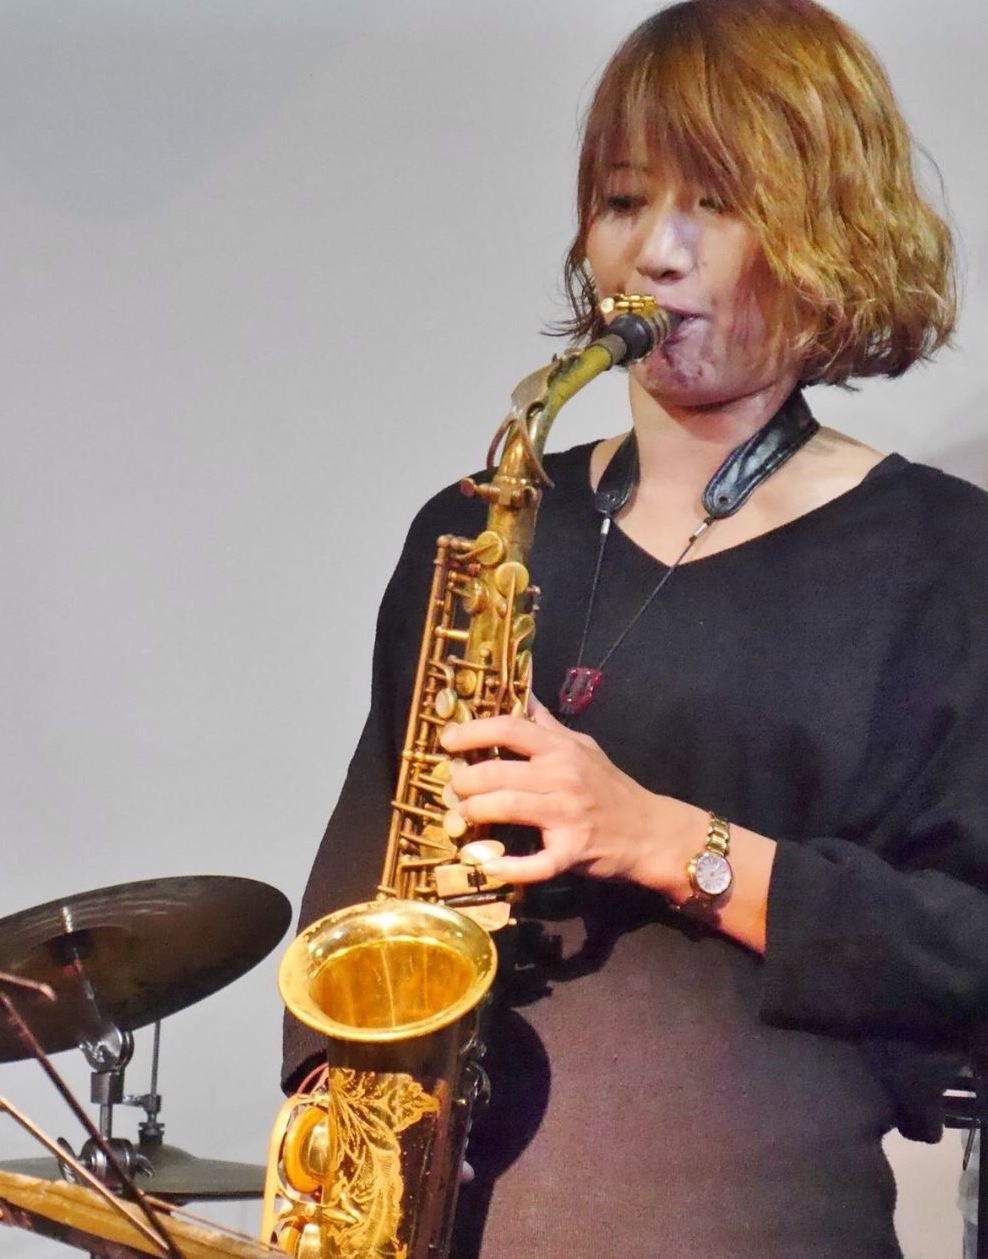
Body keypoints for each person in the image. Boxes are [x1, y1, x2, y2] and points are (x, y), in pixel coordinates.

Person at [283, 1, 988, 1256]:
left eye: (715, 201)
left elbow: (965, 948)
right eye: (621, 200)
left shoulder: (944, 560)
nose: (654, 252)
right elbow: (357, 911)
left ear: (830, 226)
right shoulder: (474, 528)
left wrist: (664, 839)